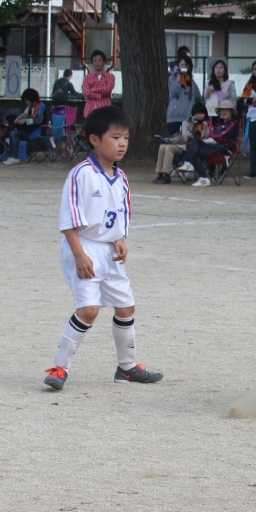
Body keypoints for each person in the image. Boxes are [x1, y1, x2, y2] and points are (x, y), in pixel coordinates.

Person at [43, 106, 164, 391]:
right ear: (95, 140)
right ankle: (59, 367)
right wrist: (79, 255)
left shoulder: (121, 178)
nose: (122, 144)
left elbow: (121, 214)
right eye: (115, 137)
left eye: (126, 138)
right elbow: (68, 221)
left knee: (126, 306)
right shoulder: (81, 174)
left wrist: (119, 240)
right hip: (84, 246)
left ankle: (127, 368)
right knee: (89, 310)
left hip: (109, 250)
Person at [179, 100, 239, 187]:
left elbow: (224, 135)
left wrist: (215, 138)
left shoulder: (233, 123)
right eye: (222, 110)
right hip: (213, 147)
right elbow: (211, 134)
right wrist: (214, 138)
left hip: (224, 149)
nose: (224, 112)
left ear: (231, 111)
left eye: (226, 110)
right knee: (194, 142)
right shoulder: (218, 123)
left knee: (195, 147)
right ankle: (203, 177)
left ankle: (190, 164)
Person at [153, 103, 208, 184]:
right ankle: (160, 173)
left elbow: (204, 139)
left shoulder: (207, 125)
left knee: (169, 148)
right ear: (193, 114)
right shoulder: (186, 123)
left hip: (193, 149)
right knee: (162, 146)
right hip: (183, 145)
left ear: (205, 114)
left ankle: (166, 175)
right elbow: (185, 138)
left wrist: (205, 128)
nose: (199, 115)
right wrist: (191, 126)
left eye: (201, 113)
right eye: (197, 113)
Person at [3, 88, 46, 165]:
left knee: (15, 134)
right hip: (28, 132)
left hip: (36, 134)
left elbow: (38, 120)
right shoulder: (30, 107)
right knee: (12, 133)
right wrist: (18, 118)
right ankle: (11, 156)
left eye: (26, 100)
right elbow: (24, 114)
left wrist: (25, 121)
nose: (26, 102)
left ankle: (15, 157)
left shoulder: (41, 106)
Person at [167, 60, 200, 136]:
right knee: (173, 140)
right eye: (182, 65)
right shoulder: (172, 79)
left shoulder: (192, 83)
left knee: (186, 140)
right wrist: (178, 77)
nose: (184, 67)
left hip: (187, 118)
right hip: (174, 117)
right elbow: (174, 91)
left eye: (186, 65)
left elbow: (197, 97)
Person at [82, 50, 115, 118]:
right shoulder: (87, 77)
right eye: (95, 61)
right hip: (89, 110)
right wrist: (99, 95)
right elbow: (85, 92)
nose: (97, 63)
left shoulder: (110, 77)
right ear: (92, 62)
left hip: (105, 110)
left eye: (99, 60)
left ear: (103, 61)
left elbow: (107, 89)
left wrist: (92, 89)